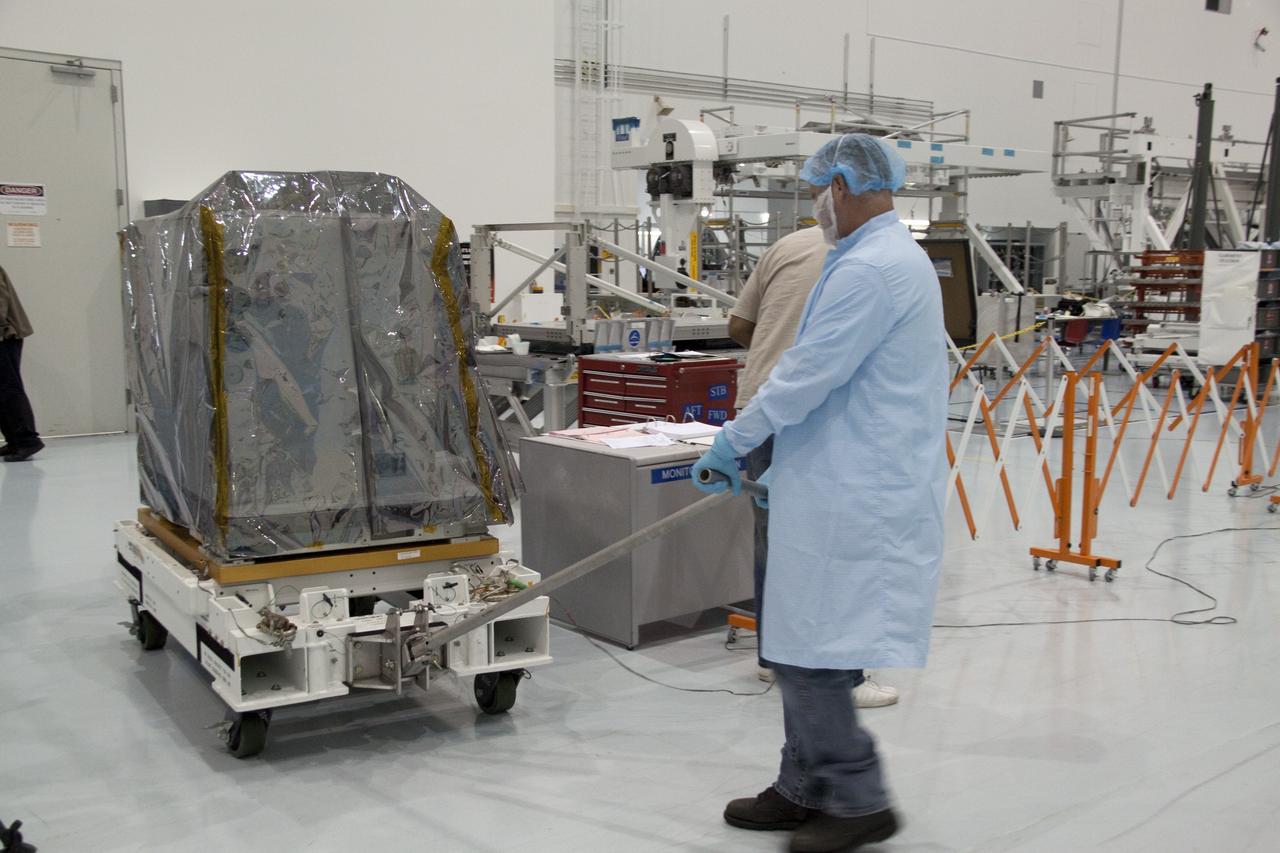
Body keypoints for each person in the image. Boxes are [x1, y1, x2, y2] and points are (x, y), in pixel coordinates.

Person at [692, 134, 947, 852]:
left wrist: (734, 441)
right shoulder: (872, 259)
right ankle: (802, 784)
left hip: (856, 492)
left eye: (817, 188)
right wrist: (774, 460)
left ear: (842, 185)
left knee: (809, 652)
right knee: (802, 642)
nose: (815, 203)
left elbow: (805, 375)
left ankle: (857, 795)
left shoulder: (874, 269)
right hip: (830, 479)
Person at [729, 224, 899, 710]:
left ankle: (774, 657)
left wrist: (775, 353)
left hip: (761, 406)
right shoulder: (879, 255)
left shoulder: (787, 244)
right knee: (838, 543)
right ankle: (839, 678)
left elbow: (738, 325)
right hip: (823, 416)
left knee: (773, 538)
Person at [0, 264, 43, 462]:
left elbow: (1, 300)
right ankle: (15, 440)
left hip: (5, 334)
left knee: (9, 389)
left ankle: (27, 441)